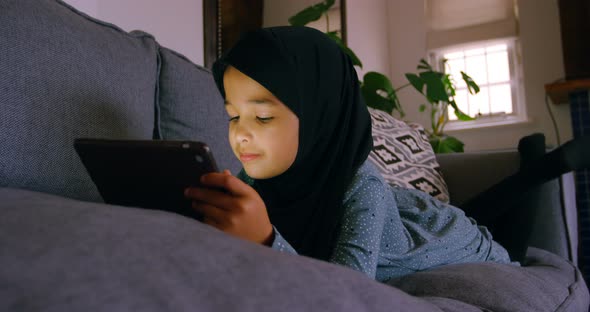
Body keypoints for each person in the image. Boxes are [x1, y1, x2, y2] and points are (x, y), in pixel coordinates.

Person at [184, 26, 513, 282]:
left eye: (264, 117)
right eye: (233, 116)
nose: (241, 133)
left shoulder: (363, 185)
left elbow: (348, 287)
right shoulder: (256, 179)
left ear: (319, 118)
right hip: (401, 212)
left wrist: (267, 239)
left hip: (449, 238)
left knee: (508, 229)